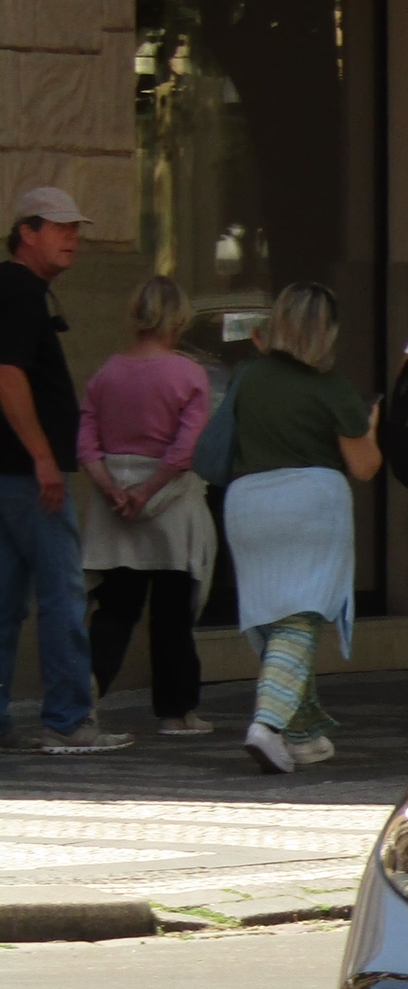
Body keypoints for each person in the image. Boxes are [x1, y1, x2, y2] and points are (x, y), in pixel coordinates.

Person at [221, 283, 381, 775]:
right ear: (327, 332)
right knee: (300, 619)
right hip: (310, 506)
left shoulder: (248, 378)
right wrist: (371, 424)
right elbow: (366, 466)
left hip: (247, 505)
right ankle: (268, 724)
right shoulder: (333, 388)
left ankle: (305, 735)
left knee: (276, 621)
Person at [0, 185, 131, 754]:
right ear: (26, 232)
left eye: (76, 226)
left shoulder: (20, 290)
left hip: (12, 474)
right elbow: (8, 376)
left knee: (6, 600)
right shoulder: (21, 290)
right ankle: (69, 719)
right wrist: (44, 458)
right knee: (61, 592)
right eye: (59, 226)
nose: (72, 236)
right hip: (28, 476)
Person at [79, 275, 217, 736]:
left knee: (115, 610)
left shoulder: (106, 373)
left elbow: (86, 441)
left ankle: (85, 698)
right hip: (170, 505)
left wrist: (111, 487)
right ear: (177, 317)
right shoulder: (188, 374)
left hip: (112, 504)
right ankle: (177, 712)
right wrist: (148, 489)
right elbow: (185, 448)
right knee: (173, 615)